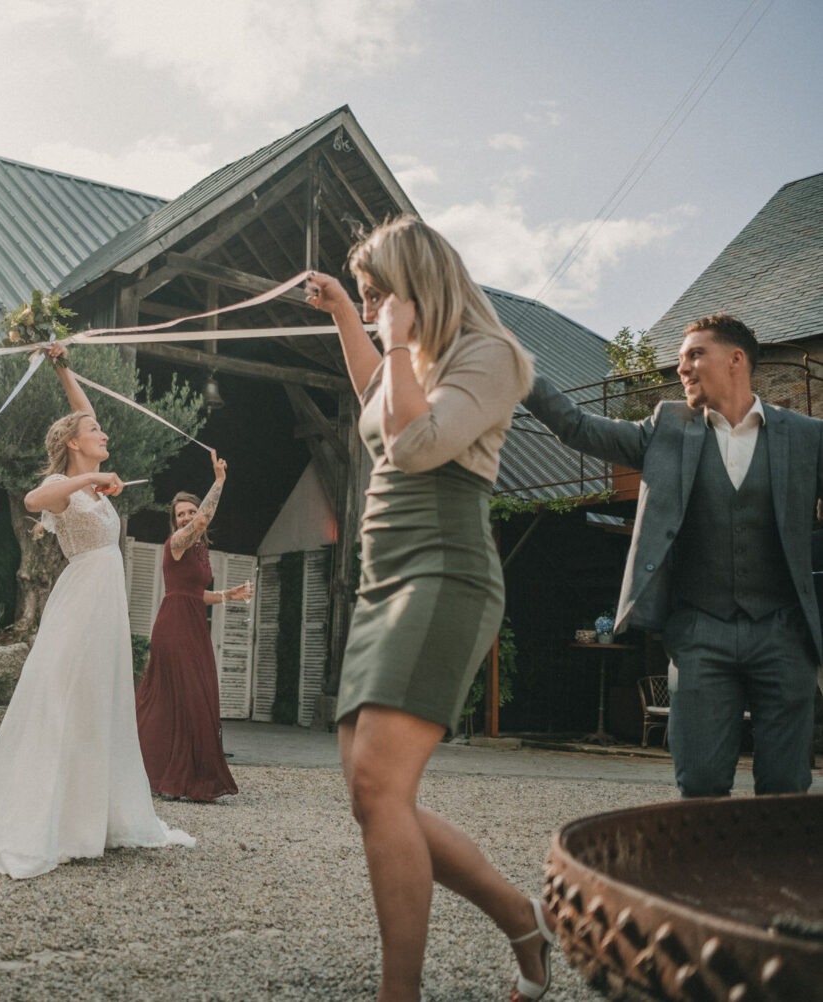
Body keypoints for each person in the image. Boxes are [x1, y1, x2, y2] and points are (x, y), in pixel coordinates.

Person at [302, 217, 553, 1002]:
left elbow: (414, 445)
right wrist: (345, 315)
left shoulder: (490, 354)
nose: (372, 307)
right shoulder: (407, 357)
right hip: (383, 578)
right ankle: (522, 919)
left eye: (377, 293)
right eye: (364, 295)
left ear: (415, 286)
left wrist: (398, 342)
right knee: (371, 794)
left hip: (445, 570)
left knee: (380, 785)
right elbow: (376, 401)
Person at [524, 313, 822, 799]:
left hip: (784, 634)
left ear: (736, 359)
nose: (682, 368)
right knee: (700, 783)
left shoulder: (807, 436)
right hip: (700, 633)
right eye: (681, 358)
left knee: (787, 789)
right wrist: (518, 367)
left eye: (695, 355)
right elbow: (577, 427)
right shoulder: (665, 428)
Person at [0, 342, 194, 879]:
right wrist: (89, 479)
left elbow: (83, 411)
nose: (104, 434)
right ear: (72, 443)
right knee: (63, 698)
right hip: (81, 601)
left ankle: (93, 817)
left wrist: (64, 368)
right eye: (95, 432)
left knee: (98, 702)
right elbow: (32, 503)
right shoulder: (60, 487)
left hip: (106, 604)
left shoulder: (93, 481)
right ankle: (48, 821)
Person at [134, 456, 252, 803]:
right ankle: (160, 775)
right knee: (175, 698)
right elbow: (203, 520)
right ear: (174, 522)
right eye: (180, 514)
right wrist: (219, 480)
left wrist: (228, 595)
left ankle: (185, 776)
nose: (186, 517)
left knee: (195, 698)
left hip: (195, 627)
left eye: (190, 511)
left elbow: (195, 594)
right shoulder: (177, 543)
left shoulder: (200, 550)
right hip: (173, 626)